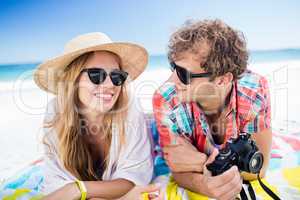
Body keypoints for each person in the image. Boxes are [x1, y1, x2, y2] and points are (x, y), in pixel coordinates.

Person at [153, 19, 272, 200]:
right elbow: (177, 168)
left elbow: (259, 167)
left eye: (184, 74)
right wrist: (205, 185)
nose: (172, 80)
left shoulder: (254, 90)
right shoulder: (166, 98)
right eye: (173, 67)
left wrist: (202, 163)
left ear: (222, 80)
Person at [34, 32, 162, 200]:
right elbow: (55, 185)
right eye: (96, 75)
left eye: (117, 77)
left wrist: (78, 189)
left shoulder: (129, 107)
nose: (110, 85)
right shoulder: (56, 112)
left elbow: (135, 178)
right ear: (73, 80)